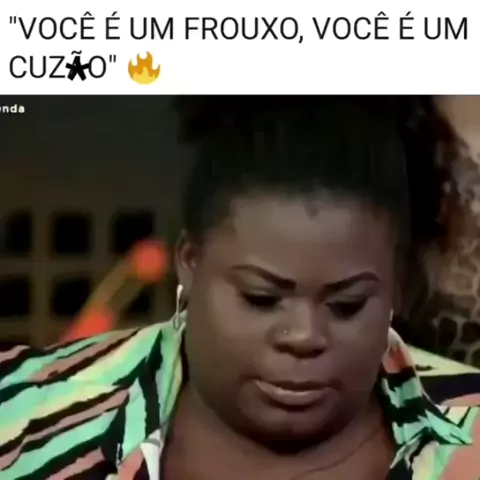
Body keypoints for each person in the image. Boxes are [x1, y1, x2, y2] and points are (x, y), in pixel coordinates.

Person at [1, 97, 479, 479]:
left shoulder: (468, 426)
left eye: (347, 305)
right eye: (261, 298)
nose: (304, 336)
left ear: (397, 286)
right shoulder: (22, 417)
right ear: (190, 262)